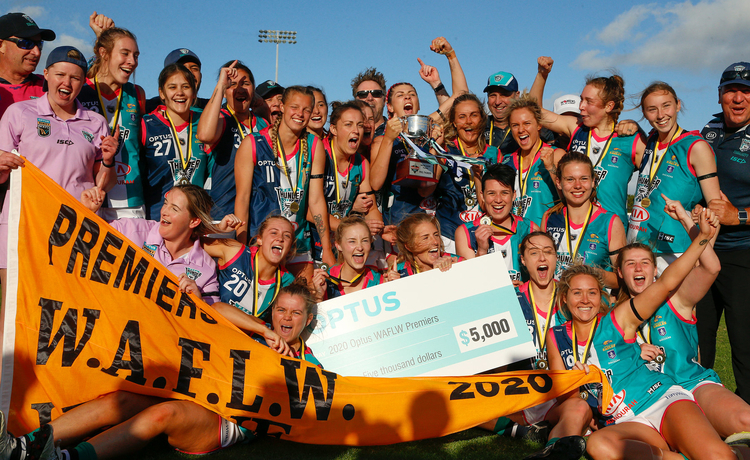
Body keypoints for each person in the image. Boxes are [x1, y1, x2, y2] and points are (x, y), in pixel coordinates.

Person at [0, 281, 320, 460]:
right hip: (196, 394)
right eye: (281, 309)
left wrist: (290, 366)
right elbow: (216, 309)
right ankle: (23, 447)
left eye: (295, 313)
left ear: (307, 320)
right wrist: (262, 330)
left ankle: (65, 459)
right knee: (121, 398)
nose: (285, 318)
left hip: (227, 420)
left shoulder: (309, 362)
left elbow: (314, 408)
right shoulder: (258, 331)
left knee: (164, 414)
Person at [548, 210, 744, 460]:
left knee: (719, 455)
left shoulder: (617, 320)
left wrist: (702, 236)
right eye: (577, 293)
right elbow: (569, 398)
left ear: (601, 297)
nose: (585, 300)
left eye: (592, 293)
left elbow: (667, 283)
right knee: (598, 445)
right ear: (565, 298)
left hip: (663, 396)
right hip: (628, 419)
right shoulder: (560, 336)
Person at [618, 198, 750, 443]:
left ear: (655, 270)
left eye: (645, 263)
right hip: (651, 397)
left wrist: (685, 220)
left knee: (746, 420)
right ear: (619, 272)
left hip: (692, 383)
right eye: (630, 264)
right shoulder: (613, 313)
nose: (638, 269)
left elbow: (711, 268)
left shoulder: (675, 299)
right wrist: (634, 351)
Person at [0, 46, 118, 302]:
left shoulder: (96, 122)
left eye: (75, 78)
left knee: (69, 309)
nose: (66, 83)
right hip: (25, 224)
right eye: (60, 75)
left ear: (83, 83)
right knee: (15, 307)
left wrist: (108, 161)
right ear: (46, 75)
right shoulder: (19, 113)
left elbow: (105, 185)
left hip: (76, 228)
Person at [233, 85, 335, 280]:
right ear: (282, 106)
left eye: (306, 109)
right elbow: (243, 199)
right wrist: (241, 248)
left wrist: (327, 248)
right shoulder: (253, 143)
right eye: (294, 107)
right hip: (262, 241)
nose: (300, 114)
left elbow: (315, 200)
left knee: (305, 295)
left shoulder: (314, 145)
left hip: (298, 242)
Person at [531, 57, 646, 228]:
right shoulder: (577, 128)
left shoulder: (631, 139)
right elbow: (534, 111)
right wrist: (542, 74)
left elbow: (659, 175)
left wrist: (640, 130)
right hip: (574, 227)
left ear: (609, 106)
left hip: (611, 230)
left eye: (589, 101)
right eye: (581, 99)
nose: (581, 106)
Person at [698, 61, 750, 404]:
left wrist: (738, 215)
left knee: (744, 343)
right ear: (719, 96)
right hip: (703, 251)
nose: (738, 98)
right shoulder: (709, 128)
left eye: (745, 91)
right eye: (731, 90)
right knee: (697, 339)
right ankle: (696, 408)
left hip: (743, 252)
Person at [628, 82, 720, 272]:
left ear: (678, 104)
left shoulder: (696, 146)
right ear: (644, 113)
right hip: (638, 248)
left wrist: (702, 258)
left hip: (676, 250)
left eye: (666, 106)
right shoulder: (649, 141)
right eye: (652, 109)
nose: (661, 115)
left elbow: (716, 208)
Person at [77, 27, 146, 220]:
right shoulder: (80, 91)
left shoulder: (137, 93)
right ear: (103, 53)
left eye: (136, 55)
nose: (132, 61)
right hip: (90, 197)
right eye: (125, 53)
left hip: (131, 199)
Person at [196, 60, 269, 220]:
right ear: (224, 91)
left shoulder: (263, 124)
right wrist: (221, 85)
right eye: (232, 84)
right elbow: (204, 135)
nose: (239, 89)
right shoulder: (221, 119)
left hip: (258, 215)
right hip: (224, 215)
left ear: (253, 89)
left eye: (246, 83)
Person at [311, 101, 382, 263]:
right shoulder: (320, 153)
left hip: (344, 241)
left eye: (359, 125)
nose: (355, 130)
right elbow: (308, 209)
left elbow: (371, 207)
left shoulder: (361, 162)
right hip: (315, 240)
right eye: (348, 125)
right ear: (333, 129)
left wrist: (379, 227)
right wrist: (347, 227)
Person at [542, 152, 626, 289]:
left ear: (593, 182)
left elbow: (623, 280)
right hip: (555, 300)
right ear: (559, 183)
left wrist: (591, 274)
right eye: (570, 179)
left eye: (584, 179)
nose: (577, 185)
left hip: (591, 301)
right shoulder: (549, 217)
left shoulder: (610, 222)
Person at [140, 64, 212, 220]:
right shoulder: (147, 125)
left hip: (195, 220)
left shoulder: (205, 123)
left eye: (186, 87)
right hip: (158, 219)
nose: (180, 92)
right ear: (162, 93)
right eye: (172, 87)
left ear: (194, 92)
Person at [436, 93, 499, 252]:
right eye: (462, 117)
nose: (468, 121)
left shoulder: (495, 154)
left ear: (482, 119)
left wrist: (478, 175)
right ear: (454, 122)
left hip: (484, 233)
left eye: (474, 115)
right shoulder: (445, 150)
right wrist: (436, 151)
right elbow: (426, 190)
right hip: (448, 235)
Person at [202, 214, 296, 321]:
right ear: (259, 239)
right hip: (211, 323)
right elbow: (188, 240)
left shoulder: (288, 282)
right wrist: (217, 228)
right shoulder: (235, 252)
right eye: (274, 233)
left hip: (247, 332)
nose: (280, 238)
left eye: (287, 236)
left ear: (290, 247)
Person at [455, 163, 537, 283]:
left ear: (514, 195)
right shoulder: (465, 232)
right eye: (491, 193)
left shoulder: (531, 229)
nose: (498, 200)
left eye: (504, 193)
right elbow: (469, 283)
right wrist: (481, 251)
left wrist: (525, 287)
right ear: (482, 196)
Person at [500, 94, 562, 226]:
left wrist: (551, 168)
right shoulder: (506, 161)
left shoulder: (556, 154)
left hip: (545, 234)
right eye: (515, 125)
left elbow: (570, 198)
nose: (521, 130)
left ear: (539, 124)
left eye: (527, 123)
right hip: (516, 234)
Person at [312, 216, 399, 300]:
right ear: (338, 245)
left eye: (365, 240)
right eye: (352, 241)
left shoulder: (380, 282)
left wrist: (396, 289)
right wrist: (318, 297)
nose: (360, 247)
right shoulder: (323, 281)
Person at [482, 69, 554, 156]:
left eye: (504, 95)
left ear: (517, 95)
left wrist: (542, 74)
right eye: (492, 95)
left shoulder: (535, 126)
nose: (497, 102)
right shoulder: (479, 126)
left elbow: (534, 106)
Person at [0, 12, 55, 118]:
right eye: (26, 43)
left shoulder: (51, 86)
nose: (37, 52)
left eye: (39, 44)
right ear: (1, 45)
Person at [392, 213, 460, 277]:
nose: (435, 242)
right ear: (409, 246)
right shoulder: (400, 272)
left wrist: (454, 271)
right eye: (425, 238)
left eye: (436, 235)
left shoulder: (457, 261)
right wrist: (394, 284)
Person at [145, 48, 209, 113]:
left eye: (194, 68)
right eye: (182, 68)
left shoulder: (210, 108)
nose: (190, 73)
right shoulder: (149, 108)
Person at [352, 67, 387, 136]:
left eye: (376, 93)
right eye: (363, 94)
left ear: (384, 101)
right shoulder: (347, 134)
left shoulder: (399, 133)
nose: (370, 98)